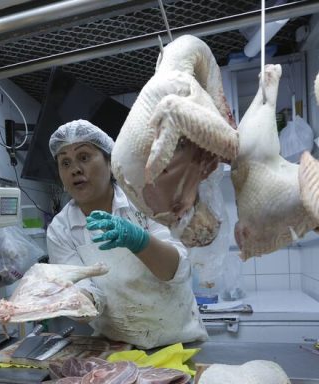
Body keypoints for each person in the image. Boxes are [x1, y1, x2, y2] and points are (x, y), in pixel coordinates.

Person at [46, 119, 207, 349]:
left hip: (179, 343)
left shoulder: (146, 199)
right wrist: (69, 300)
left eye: (84, 157)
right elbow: (88, 300)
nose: (75, 169)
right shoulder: (60, 230)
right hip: (116, 351)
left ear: (109, 162)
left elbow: (176, 270)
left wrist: (139, 241)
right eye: (65, 162)